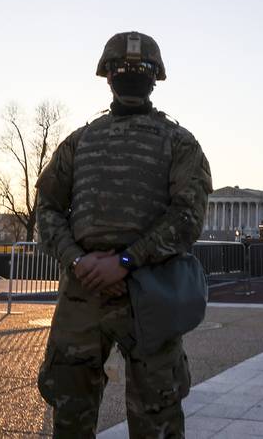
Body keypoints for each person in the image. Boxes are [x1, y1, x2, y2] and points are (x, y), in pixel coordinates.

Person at [35, 31, 213, 438]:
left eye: (141, 68)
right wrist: (78, 260)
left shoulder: (179, 143)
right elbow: (47, 208)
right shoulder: (79, 142)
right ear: (108, 75)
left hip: (150, 291)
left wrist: (126, 260)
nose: (131, 74)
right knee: (70, 415)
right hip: (86, 286)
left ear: (155, 77)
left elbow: (188, 217)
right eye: (123, 68)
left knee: (157, 416)